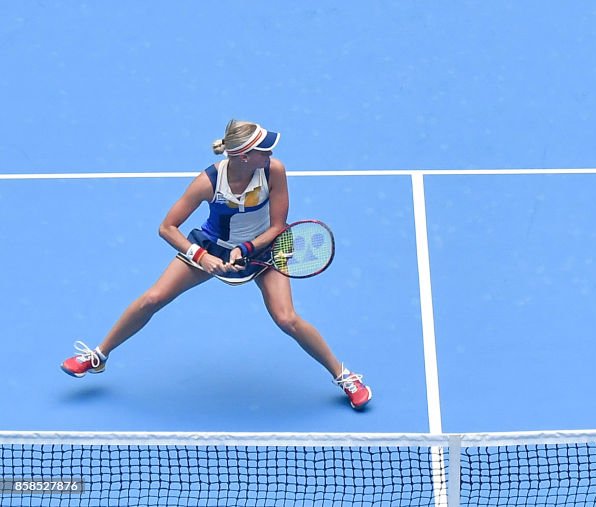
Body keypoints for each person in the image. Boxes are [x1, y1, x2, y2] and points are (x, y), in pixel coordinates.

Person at [60, 120, 372, 409]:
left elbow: (277, 225)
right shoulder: (208, 182)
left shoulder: (274, 170)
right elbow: (167, 227)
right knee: (152, 299)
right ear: (245, 156)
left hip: (267, 248)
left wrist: (247, 249)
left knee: (287, 319)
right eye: (264, 149)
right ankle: (98, 356)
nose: (272, 153)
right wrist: (203, 257)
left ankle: (345, 375)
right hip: (213, 246)